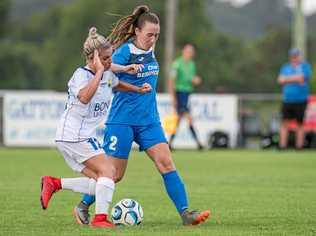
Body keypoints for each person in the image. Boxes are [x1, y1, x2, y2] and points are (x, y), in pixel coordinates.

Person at [73, 5, 210, 226]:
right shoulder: (126, 51)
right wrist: (127, 70)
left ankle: (186, 213)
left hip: (149, 120)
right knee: (114, 175)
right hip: (122, 120)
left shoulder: (150, 49)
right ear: (137, 31)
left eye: (157, 35)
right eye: (149, 34)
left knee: (166, 163)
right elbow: (107, 75)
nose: (153, 39)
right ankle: (83, 205)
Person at [40, 27, 151, 228]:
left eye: (110, 58)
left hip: (79, 137)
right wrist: (100, 71)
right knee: (109, 171)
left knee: (101, 181)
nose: (110, 62)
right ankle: (100, 220)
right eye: (106, 58)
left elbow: (115, 84)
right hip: (73, 135)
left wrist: (137, 88)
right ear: (94, 58)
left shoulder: (106, 74)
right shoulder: (81, 75)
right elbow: (84, 97)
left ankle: (54, 183)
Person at [168, 44, 203, 150]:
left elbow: (190, 78)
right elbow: (171, 80)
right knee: (187, 118)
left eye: (191, 52)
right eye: (188, 51)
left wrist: (195, 80)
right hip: (180, 93)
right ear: (183, 51)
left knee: (179, 119)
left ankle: (170, 143)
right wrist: (173, 97)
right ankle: (198, 143)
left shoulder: (192, 64)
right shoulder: (177, 64)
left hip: (187, 93)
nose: (190, 53)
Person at [278, 48, 312, 149]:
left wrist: (287, 79)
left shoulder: (305, 66)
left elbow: (302, 78)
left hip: (300, 100)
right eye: (293, 56)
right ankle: (282, 146)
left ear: (299, 56)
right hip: (287, 100)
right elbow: (280, 80)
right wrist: (295, 78)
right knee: (285, 123)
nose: (294, 58)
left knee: (300, 124)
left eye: (296, 56)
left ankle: (299, 146)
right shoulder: (285, 67)